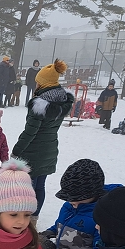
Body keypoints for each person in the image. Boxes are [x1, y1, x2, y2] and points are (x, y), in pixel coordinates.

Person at [12, 59, 74, 219]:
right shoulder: (62, 101)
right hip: (50, 149)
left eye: (38, 81)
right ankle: (33, 218)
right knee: (40, 186)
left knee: (29, 188)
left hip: (33, 152)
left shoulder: (39, 106)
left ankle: (25, 217)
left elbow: (30, 132)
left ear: (43, 83)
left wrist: (16, 151)